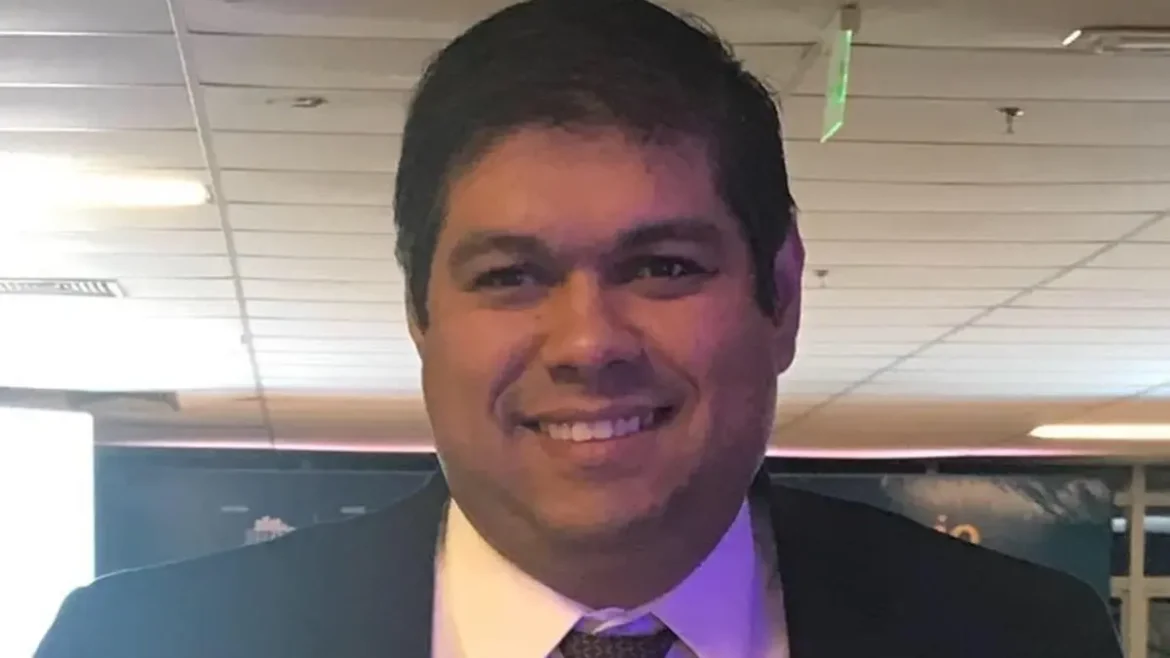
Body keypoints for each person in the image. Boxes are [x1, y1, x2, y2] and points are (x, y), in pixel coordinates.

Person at [37, 1, 1121, 657]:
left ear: (782, 294)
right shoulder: (144, 642)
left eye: (663, 267)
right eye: (510, 276)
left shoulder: (1022, 637)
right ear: (420, 313)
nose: (588, 342)